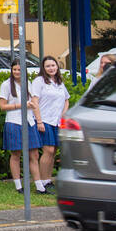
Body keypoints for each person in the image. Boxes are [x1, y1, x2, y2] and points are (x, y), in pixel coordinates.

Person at [0, 61, 44, 193]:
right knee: (16, 154)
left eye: (19, 69)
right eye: (15, 69)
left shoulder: (27, 83)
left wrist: (38, 120)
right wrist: (22, 105)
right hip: (14, 121)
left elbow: (33, 103)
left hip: (29, 121)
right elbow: (2, 106)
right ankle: (18, 185)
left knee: (34, 154)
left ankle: (39, 185)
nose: (17, 72)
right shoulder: (6, 85)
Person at [31, 56, 69, 192]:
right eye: (48, 66)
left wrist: (63, 114)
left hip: (56, 121)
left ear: (57, 67)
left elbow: (66, 100)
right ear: (43, 68)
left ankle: (48, 180)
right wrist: (39, 121)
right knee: (48, 150)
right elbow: (34, 101)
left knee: (54, 152)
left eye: (53, 65)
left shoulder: (59, 82)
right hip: (44, 120)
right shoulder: (39, 81)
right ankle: (40, 181)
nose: (51, 68)